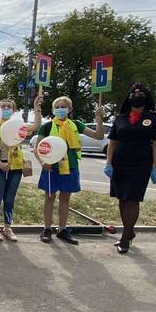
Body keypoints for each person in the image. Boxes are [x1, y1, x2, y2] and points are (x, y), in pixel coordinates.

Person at [104, 83, 156, 254]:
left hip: (141, 164)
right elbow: (112, 142)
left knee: (132, 199)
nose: (136, 95)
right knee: (122, 198)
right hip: (120, 163)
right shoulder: (120, 118)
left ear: (147, 97)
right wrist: (108, 163)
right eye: (133, 93)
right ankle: (129, 232)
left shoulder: (154, 118)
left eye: (140, 93)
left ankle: (125, 238)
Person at [35, 96, 105, 245]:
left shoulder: (76, 124)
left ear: (70, 109)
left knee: (65, 198)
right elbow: (37, 148)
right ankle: (47, 229)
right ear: (54, 110)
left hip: (70, 166)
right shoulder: (47, 127)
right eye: (58, 106)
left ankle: (62, 229)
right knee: (49, 197)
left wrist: (99, 119)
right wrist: (42, 162)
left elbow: (99, 136)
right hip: (51, 167)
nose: (61, 109)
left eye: (64, 106)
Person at [0, 95, 43, 241]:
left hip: (15, 167)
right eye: (2, 107)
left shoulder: (18, 125)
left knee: (10, 199)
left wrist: (37, 107)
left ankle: (8, 227)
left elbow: (36, 126)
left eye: (8, 107)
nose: (5, 109)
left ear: (14, 110)